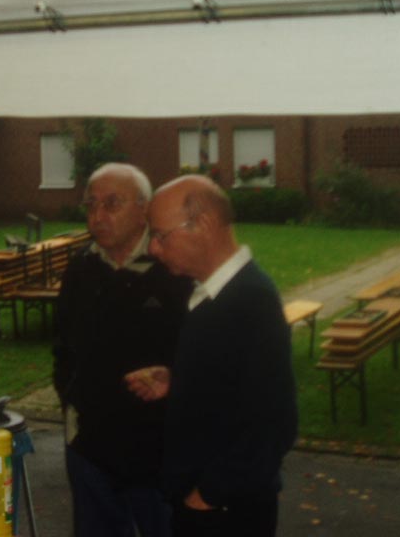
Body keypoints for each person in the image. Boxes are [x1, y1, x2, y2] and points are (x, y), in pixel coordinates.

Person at [125, 174, 298, 537]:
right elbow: (236, 387)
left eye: (160, 235)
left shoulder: (250, 301)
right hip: (208, 504)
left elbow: (276, 424)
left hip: (225, 512)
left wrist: (208, 496)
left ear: (203, 225)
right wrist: (180, 381)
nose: (153, 249)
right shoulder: (213, 294)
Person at [53, 163, 191, 537]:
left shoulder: (174, 269)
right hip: (90, 451)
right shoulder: (80, 269)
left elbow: (202, 356)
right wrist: (71, 405)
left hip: (158, 453)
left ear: (145, 210)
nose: (97, 216)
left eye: (112, 204)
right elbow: (63, 348)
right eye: (91, 205)